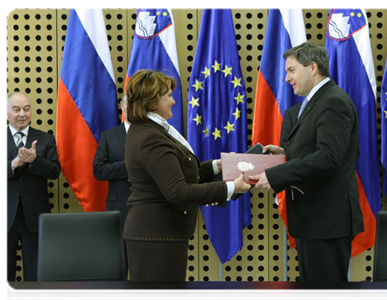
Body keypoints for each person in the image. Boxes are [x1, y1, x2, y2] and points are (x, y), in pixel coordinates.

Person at [250, 42, 364, 282]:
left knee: (325, 294)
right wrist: (285, 153)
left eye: (291, 70)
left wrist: (275, 175)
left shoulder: (333, 102)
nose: (287, 78)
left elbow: (329, 156)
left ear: (313, 67)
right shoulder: (315, 102)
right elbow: (318, 149)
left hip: (326, 222)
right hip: (312, 220)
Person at [123, 69, 251, 282]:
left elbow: (180, 172)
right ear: (154, 100)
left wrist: (219, 166)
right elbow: (178, 191)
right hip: (156, 238)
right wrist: (231, 188)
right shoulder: (151, 137)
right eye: (169, 96)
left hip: (161, 235)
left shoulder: (152, 130)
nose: (174, 102)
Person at [5, 92, 61, 281]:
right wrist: (14, 164)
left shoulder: (45, 139)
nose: (22, 114)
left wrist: (35, 160)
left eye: (27, 109)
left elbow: (54, 171)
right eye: (17, 109)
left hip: (35, 215)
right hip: (5, 215)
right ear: (6, 113)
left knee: (35, 272)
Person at [93, 94, 131, 225]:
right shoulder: (109, 136)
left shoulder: (152, 134)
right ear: (122, 105)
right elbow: (98, 170)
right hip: (119, 206)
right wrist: (129, 166)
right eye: (129, 103)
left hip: (147, 207)